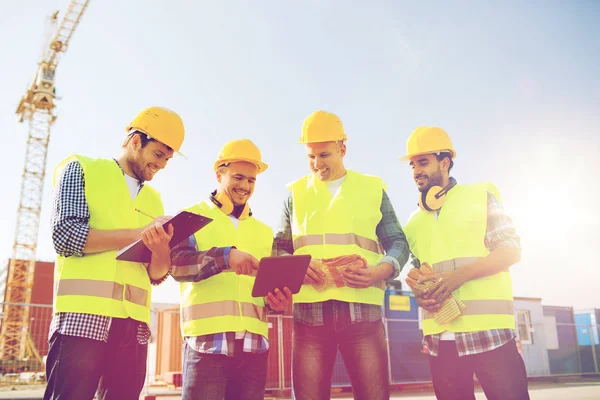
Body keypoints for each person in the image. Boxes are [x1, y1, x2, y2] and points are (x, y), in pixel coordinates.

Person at [44, 106, 186, 400]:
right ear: (136, 142)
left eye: (167, 159)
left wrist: (160, 251)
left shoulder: (154, 199)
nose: (162, 165)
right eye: (158, 154)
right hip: (83, 318)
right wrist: (141, 234)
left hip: (133, 327)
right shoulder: (82, 168)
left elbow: (156, 275)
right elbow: (66, 235)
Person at [273, 110, 410, 399]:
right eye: (310, 156)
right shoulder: (294, 194)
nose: (316, 164)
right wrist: (293, 267)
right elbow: (279, 251)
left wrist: (380, 270)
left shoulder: (372, 189)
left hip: (363, 314)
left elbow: (398, 242)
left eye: (324, 155)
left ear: (342, 149)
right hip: (310, 317)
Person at [400, 126, 530, 400]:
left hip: (490, 336)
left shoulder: (479, 195)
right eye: (412, 165)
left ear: (444, 162)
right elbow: (419, 271)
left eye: (423, 162)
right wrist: (420, 292)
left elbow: (510, 250)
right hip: (441, 342)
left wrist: (459, 276)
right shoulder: (413, 222)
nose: (416, 171)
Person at [169, 139, 292, 400]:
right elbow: (177, 265)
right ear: (219, 174)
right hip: (207, 347)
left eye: (251, 180)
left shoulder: (264, 232)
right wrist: (225, 257)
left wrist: (276, 303)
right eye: (238, 177)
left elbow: (264, 291)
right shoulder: (191, 216)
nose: (245, 186)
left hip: (254, 348)